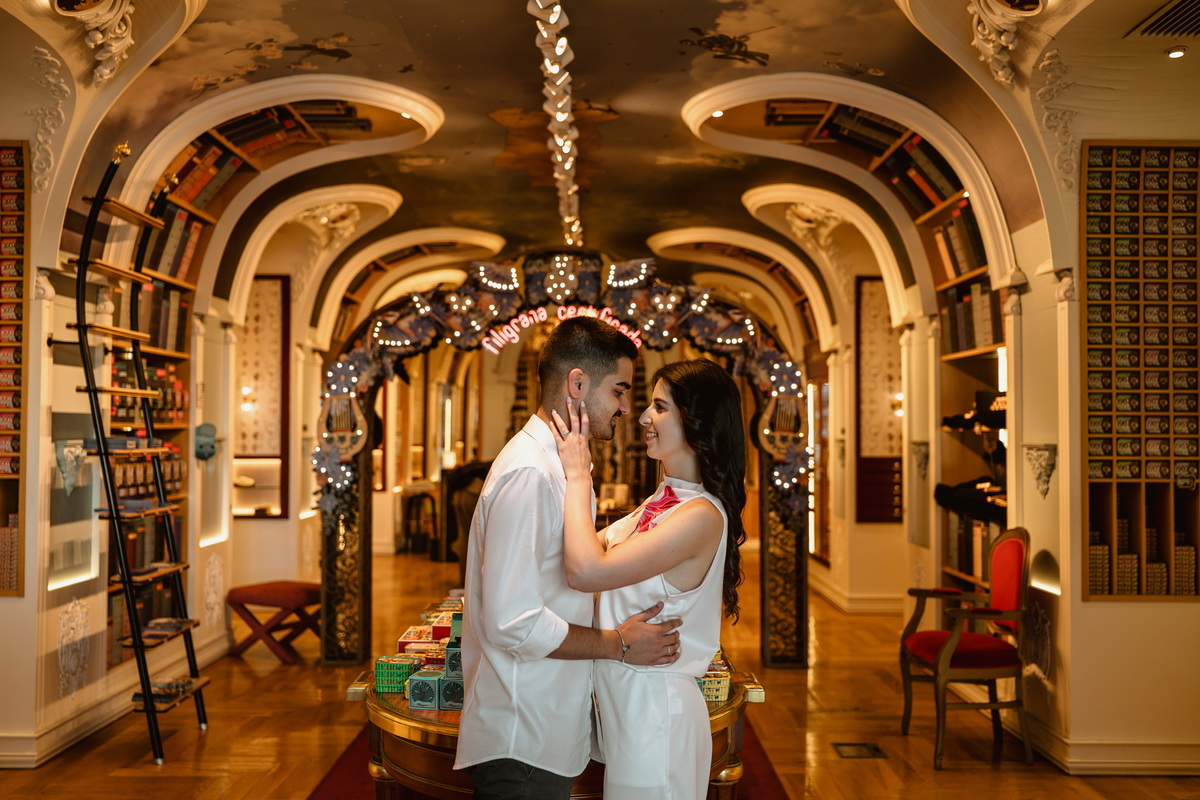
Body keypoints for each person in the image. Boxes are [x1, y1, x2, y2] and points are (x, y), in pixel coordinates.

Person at [454, 316, 683, 800]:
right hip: (522, 734)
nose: (627, 408)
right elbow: (512, 622)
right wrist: (617, 644)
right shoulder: (531, 472)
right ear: (577, 384)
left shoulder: (559, 464)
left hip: (542, 726)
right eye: (619, 391)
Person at [551, 358, 747, 799]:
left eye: (659, 407)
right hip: (628, 712)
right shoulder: (662, 501)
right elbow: (579, 553)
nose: (641, 417)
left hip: (658, 718)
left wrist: (578, 475)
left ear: (696, 421)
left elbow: (587, 570)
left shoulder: (700, 515)